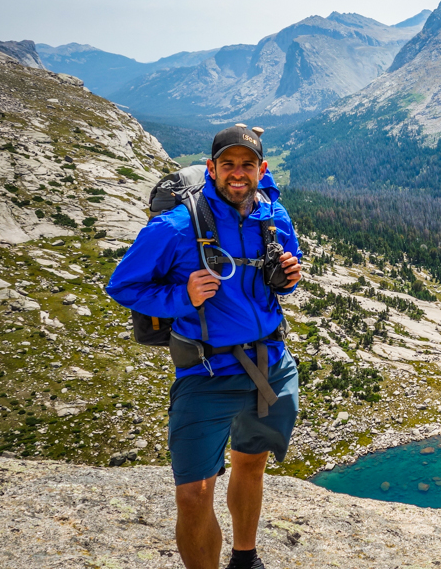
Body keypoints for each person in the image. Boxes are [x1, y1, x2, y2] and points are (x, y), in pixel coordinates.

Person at [107, 125, 303, 569]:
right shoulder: (175, 226)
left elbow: (281, 283)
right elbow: (122, 285)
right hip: (207, 371)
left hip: (270, 364)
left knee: (252, 464)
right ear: (211, 168)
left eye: (247, 165)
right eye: (228, 164)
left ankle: (245, 558)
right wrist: (182, 297)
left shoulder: (273, 216)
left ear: (262, 170)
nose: (239, 174)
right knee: (194, 494)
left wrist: (288, 278)